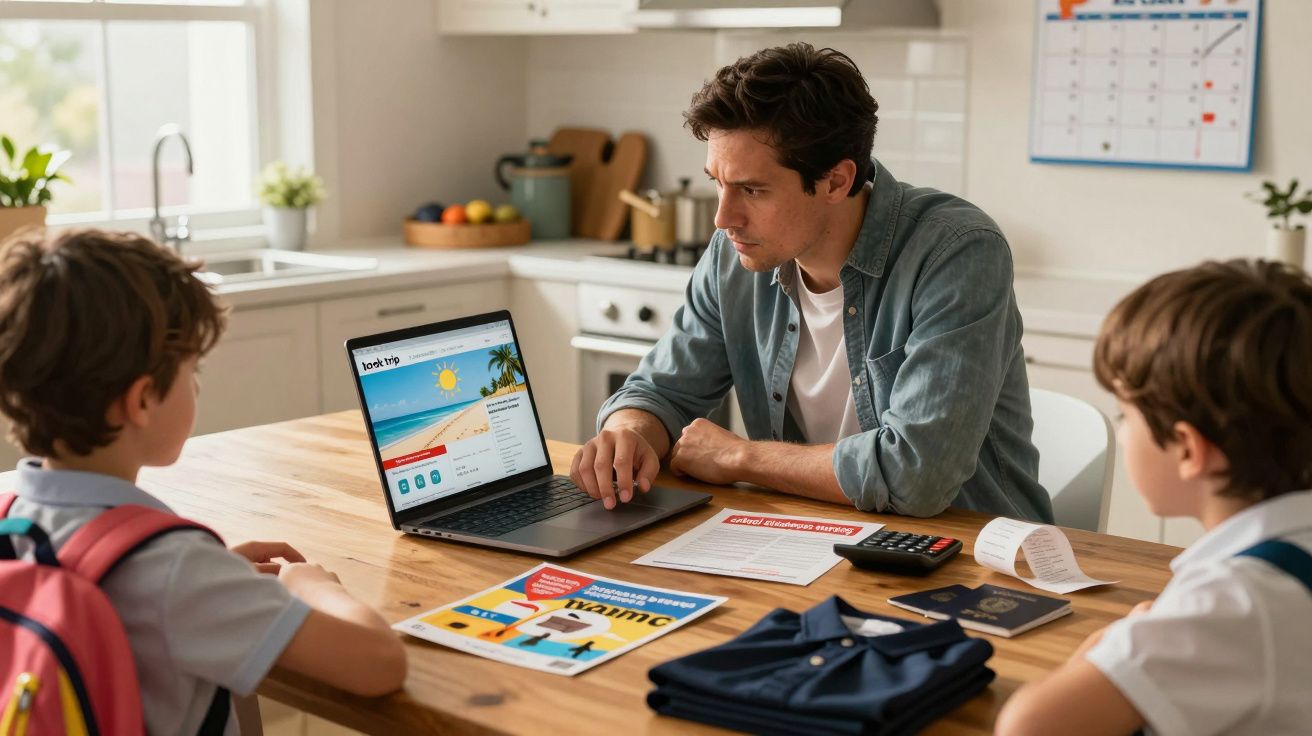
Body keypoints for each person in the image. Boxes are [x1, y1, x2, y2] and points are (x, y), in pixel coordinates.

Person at [570, 42, 1050, 521]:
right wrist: (629, 432)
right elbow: (661, 392)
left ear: (836, 182)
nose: (723, 218)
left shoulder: (957, 252)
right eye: (717, 182)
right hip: (809, 536)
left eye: (752, 190)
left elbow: (916, 475)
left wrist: (740, 457)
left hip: (971, 550)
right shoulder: (732, 256)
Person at [0, 229, 407, 734]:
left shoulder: (11, 518)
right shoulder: (176, 570)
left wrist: (216, 578)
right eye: (192, 371)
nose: (196, 387)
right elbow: (380, 664)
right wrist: (313, 587)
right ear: (142, 400)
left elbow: (110, 591)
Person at [995, 259, 1312, 736]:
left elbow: (1028, 725)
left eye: (1125, 415)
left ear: (1186, 449)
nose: (1121, 432)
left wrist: (1106, 649)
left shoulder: (1233, 603)